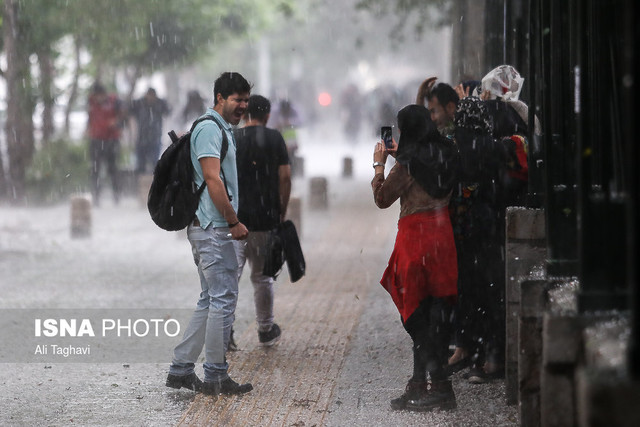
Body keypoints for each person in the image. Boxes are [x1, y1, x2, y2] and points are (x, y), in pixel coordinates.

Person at [166, 72, 253, 396]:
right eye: (237, 99)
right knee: (222, 300)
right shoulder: (209, 129)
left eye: (246, 100)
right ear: (219, 98)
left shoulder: (220, 128)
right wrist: (232, 221)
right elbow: (212, 179)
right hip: (214, 229)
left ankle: (181, 368)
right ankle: (215, 374)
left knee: (210, 299)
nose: (242, 105)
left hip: (210, 229)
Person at [372, 104, 459, 412]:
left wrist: (379, 166)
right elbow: (429, 171)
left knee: (413, 311)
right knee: (434, 309)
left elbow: (383, 199)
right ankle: (419, 384)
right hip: (442, 234)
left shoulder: (408, 164)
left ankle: (440, 384)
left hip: (415, 238)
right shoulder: (446, 152)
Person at [446, 97, 510, 383]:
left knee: (468, 293)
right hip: (488, 229)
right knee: (490, 292)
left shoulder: (454, 145)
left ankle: (472, 354)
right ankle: (492, 358)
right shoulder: (494, 146)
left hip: (461, 229)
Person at [233, 94, 291, 347]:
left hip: (234, 220)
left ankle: (224, 336)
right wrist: (282, 208)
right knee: (262, 277)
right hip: (265, 218)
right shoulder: (275, 138)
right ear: (267, 115)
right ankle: (266, 329)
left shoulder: (233, 139)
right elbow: (285, 177)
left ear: (245, 113)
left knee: (229, 280)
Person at [86, 83, 124, 206]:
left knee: (112, 168)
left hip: (111, 140)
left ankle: (116, 196)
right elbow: (90, 116)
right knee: (95, 169)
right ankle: (96, 196)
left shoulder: (114, 101)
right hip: (96, 139)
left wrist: (116, 123)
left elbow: (123, 116)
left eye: (100, 96)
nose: (98, 98)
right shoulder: (91, 102)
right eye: (96, 96)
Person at [129, 88, 170, 175]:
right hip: (141, 137)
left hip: (155, 137)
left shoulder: (160, 104)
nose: (150, 98)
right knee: (141, 164)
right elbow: (129, 111)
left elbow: (168, 111)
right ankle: (141, 184)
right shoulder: (139, 104)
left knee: (155, 163)